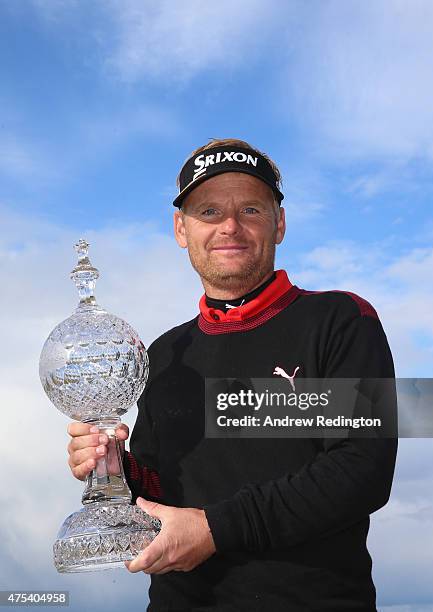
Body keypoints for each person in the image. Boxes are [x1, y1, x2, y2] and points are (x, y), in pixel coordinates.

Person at [67, 138, 398, 611]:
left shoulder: (341, 319)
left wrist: (214, 530)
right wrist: (115, 466)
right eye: (208, 211)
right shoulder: (165, 353)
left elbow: (361, 470)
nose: (229, 226)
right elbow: (163, 485)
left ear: (278, 223)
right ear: (181, 229)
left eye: (250, 209)